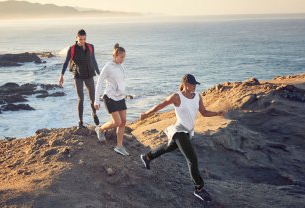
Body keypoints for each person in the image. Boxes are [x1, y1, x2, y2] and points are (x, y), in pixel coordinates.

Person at [139, 74, 225, 202]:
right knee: (192, 159)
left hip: (188, 132)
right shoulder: (176, 97)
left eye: (196, 84)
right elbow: (160, 106)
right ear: (185, 84)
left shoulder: (197, 97)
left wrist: (217, 113)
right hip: (179, 130)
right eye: (193, 84)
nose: (195, 86)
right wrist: (146, 114)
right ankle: (199, 188)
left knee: (168, 147)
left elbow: (204, 112)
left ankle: (147, 157)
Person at [58, 29, 100, 128]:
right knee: (81, 99)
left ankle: (94, 114)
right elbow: (66, 62)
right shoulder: (72, 49)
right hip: (78, 76)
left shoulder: (90, 47)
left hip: (89, 75)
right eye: (80, 39)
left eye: (84, 39)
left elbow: (94, 61)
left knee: (93, 98)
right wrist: (61, 75)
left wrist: (100, 74)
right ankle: (80, 121)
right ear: (76, 38)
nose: (82, 41)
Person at [94, 43, 129, 156]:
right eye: (121, 57)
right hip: (109, 97)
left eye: (124, 57)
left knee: (123, 122)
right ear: (115, 56)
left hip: (120, 98)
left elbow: (121, 83)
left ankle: (119, 146)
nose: (123, 59)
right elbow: (99, 82)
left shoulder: (121, 66)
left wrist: (124, 93)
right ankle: (100, 129)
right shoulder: (108, 66)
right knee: (117, 122)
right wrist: (96, 100)